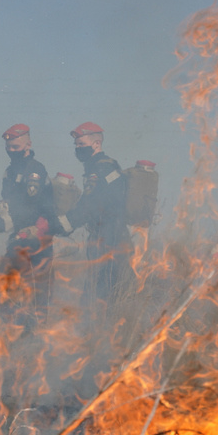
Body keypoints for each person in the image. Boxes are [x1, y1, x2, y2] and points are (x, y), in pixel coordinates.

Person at [0, 124, 62, 328]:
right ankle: (10, 328)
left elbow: (30, 209)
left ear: (28, 145)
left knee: (38, 287)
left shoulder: (35, 171)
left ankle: (36, 333)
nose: (11, 151)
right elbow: (10, 204)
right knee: (7, 281)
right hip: (19, 237)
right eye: (9, 147)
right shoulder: (9, 172)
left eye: (16, 147)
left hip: (38, 237)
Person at [56, 122, 132, 306]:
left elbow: (90, 204)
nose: (77, 148)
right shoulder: (99, 167)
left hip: (108, 239)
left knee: (101, 291)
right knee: (104, 289)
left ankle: (100, 330)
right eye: (76, 145)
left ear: (97, 143)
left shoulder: (101, 167)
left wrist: (64, 223)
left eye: (81, 144)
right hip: (108, 236)